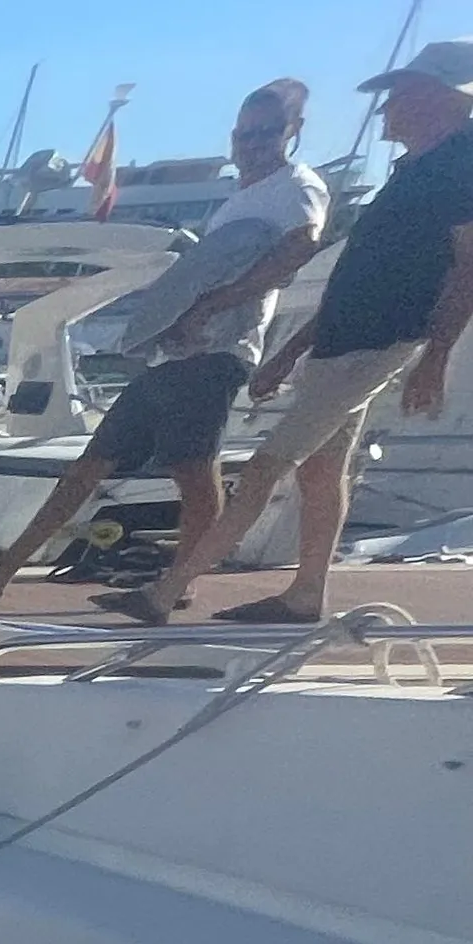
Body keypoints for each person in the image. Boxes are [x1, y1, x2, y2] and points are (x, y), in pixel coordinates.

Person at [119, 40, 473, 623]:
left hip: (379, 343)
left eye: (400, 95)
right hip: (344, 342)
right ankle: (307, 594)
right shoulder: (412, 173)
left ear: (438, 99)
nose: (385, 110)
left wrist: (437, 355)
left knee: (265, 467)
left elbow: (467, 265)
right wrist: (288, 354)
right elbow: (355, 278)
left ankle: (166, 590)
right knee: (320, 469)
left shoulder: (460, 164)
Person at [0, 83, 328, 603]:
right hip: (175, 354)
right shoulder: (238, 201)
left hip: (218, 355)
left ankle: (176, 589)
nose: (252, 143)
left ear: (292, 132)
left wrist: (214, 305)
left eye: (266, 132)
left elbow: (299, 248)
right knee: (88, 467)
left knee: (193, 473)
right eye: (244, 132)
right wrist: (175, 317)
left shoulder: (296, 186)